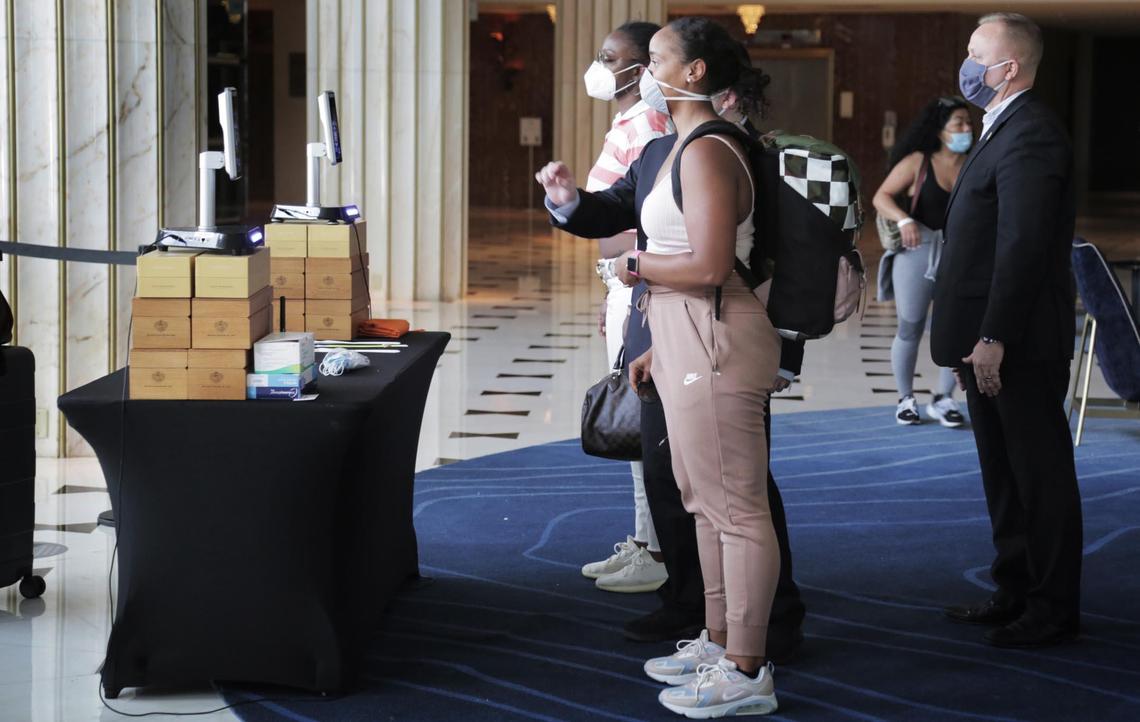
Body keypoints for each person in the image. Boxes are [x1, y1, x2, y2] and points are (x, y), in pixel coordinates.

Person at [538, 17, 782, 717]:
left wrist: (632, 264)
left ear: (695, 71)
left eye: (656, 58)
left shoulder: (709, 148)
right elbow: (636, 222)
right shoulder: (671, 145)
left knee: (736, 509)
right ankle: (716, 638)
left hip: (715, 335)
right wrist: (653, 343)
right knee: (702, 501)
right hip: (680, 335)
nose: (644, 70)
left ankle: (748, 666)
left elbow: (708, 265)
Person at [933, 12, 1082, 649]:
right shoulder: (1002, 128)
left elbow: (1022, 245)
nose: (965, 65)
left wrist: (994, 334)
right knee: (1003, 471)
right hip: (983, 339)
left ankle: (1052, 608)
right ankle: (1015, 586)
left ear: (1009, 68)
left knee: (1038, 473)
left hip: (1013, 340)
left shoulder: (1033, 134)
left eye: (975, 54)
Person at [580, 21, 671, 595]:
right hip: (623, 284)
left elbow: (642, 219)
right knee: (635, 415)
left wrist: (629, 291)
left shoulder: (649, 123)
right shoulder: (627, 120)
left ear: (640, 68)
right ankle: (643, 538)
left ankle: (660, 548)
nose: (598, 65)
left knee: (645, 417)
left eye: (610, 57)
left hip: (642, 282)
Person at [873, 97, 973, 428]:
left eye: (968, 122)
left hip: (959, 255)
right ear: (940, 130)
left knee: (956, 327)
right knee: (911, 325)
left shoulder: (975, 163)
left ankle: (944, 399)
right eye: (958, 122)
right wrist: (904, 220)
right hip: (917, 252)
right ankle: (906, 399)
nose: (966, 128)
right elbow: (881, 196)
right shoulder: (919, 162)